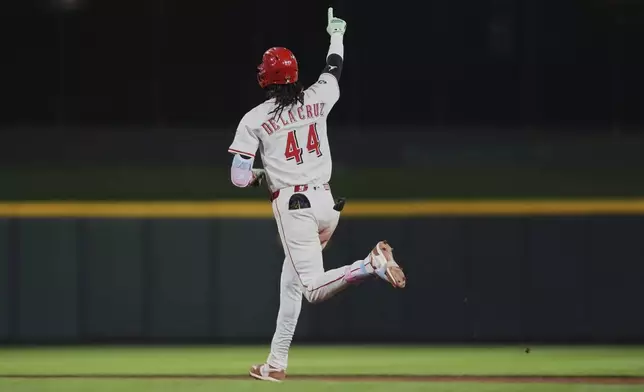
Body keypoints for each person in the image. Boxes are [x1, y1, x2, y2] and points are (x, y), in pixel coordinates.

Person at [227, 8, 406, 382]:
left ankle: (369, 264)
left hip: (295, 208)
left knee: (312, 289)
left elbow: (238, 178)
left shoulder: (255, 118)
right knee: (290, 283)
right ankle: (276, 365)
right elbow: (334, 67)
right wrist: (336, 34)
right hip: (328, 203)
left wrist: (261, 174)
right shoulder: (318, 95)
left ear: (268, 78)